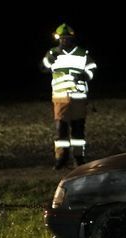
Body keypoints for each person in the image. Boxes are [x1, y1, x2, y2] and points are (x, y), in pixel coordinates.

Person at [41, 23, 97, 169]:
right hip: (60, 97)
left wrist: (85, 75)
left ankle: (79, 158)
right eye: (62, 38)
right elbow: (43, 68)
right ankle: (61, 158)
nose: (65, 41)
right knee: (61, 130)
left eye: (67, 38)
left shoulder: (82, 53)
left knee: (78, 130)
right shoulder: (53, 53)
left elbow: (92, 69)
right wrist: (50, 59)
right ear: (58, 39)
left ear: (72, 39)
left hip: (79, 97)